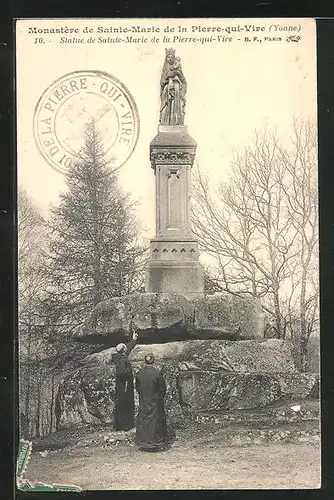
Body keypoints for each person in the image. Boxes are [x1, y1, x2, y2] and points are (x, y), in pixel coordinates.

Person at [135, 353, 168, 451]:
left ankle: (144, 442)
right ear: (153, 361)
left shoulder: (139, 373)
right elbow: (162, 388)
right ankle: (156, 442)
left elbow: (137, 387)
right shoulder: (157, 373)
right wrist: (160, 396)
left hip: (144, 399)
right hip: (155, 400)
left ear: (144, 361)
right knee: (155, 421)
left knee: (144, 419)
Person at [112, 329, 138, 431]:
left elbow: (128, 348)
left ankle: (119, 425)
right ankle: (124, 425)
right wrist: (128, 377)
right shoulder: (122, 360)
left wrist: (134, 340)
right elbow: (122, 373)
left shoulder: (119, 356)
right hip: (124, 385)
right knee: (124, 404)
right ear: (123, 350)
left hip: (122, 385)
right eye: (125, 348)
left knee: (121, 404)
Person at [159, 47, 187, 126]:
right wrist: (166, 79)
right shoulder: (165, 69)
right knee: (166, 105)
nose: (170, 58)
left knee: (176, 105)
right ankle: (166, 121)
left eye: (171, 57)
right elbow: (162, 81)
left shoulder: (177, 66)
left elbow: (183, 79)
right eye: (168, 57)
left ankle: (176, 120)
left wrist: (177, 74)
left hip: (176, 89)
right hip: (167, 90)